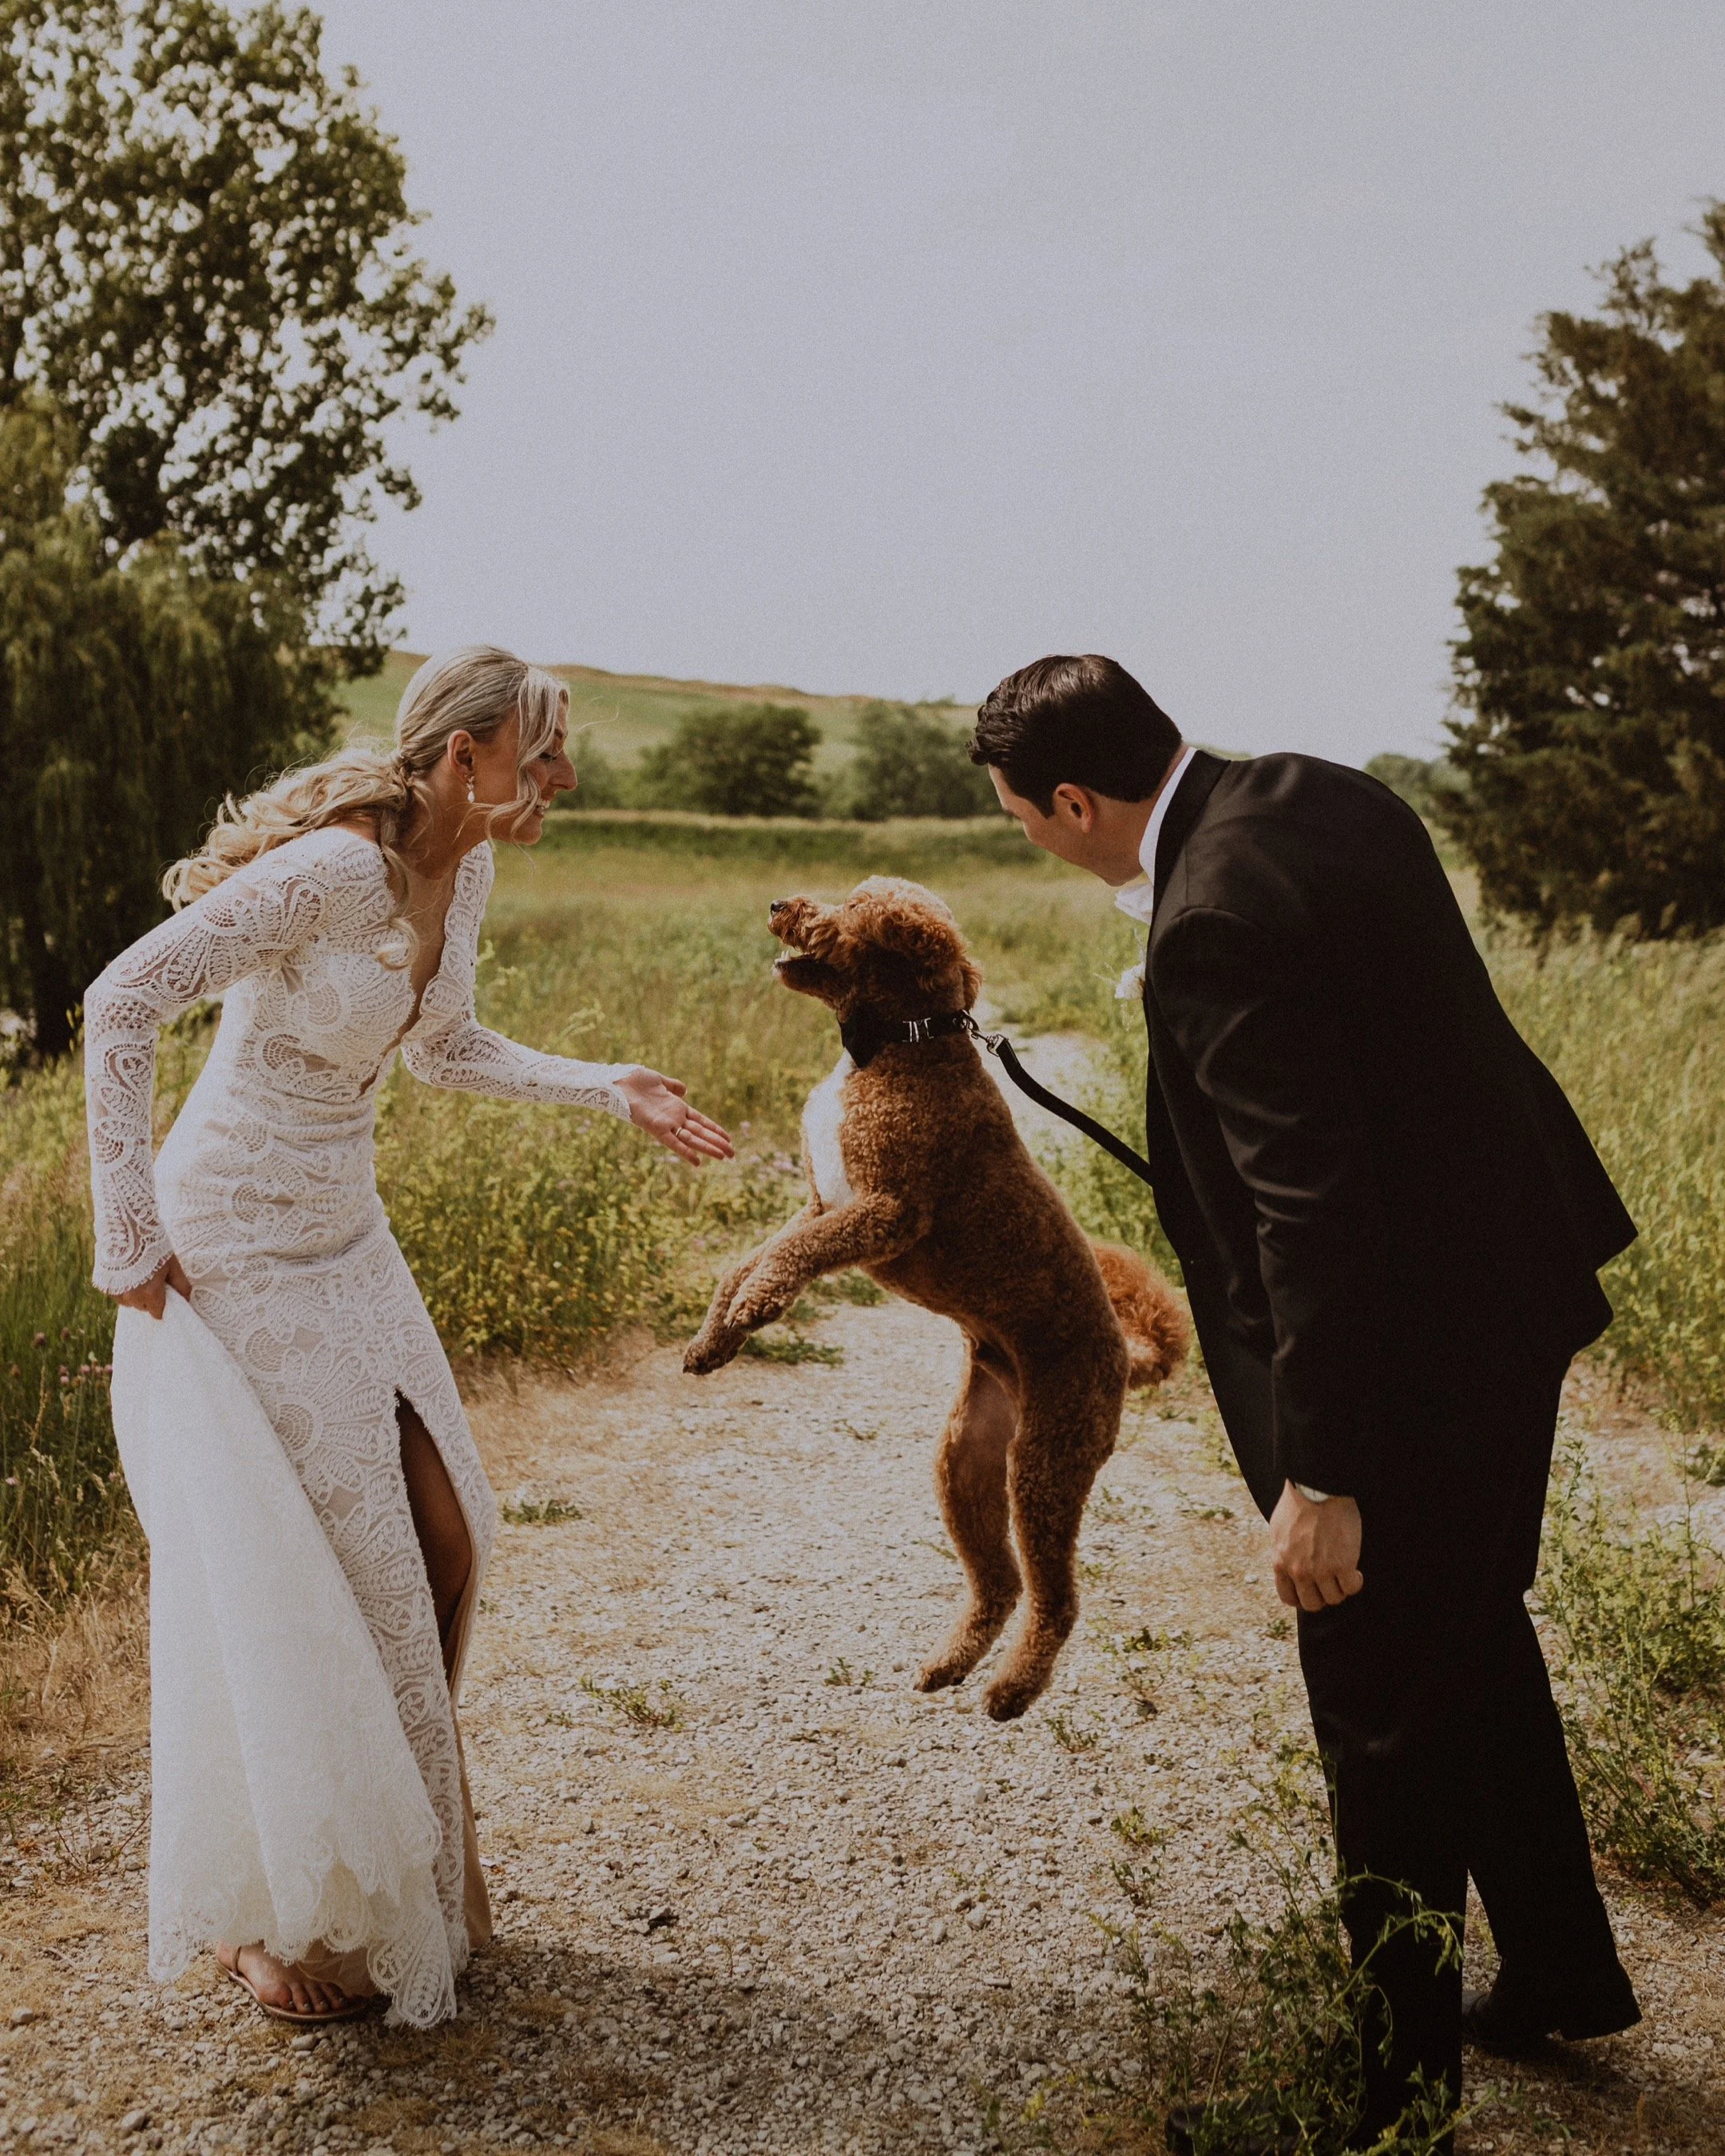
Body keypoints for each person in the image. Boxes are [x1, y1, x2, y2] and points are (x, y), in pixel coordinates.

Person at [969, 653, 1640, 2149]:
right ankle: (1565, 1969)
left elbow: (1312, 1208)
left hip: (1404, 1355)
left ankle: (1395, 2099)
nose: (1032, 836)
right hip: (1502, 1291)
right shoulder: (1319, 796)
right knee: (1464, 1630)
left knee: (1380, 1701)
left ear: (1076, 801)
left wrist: (1324, 1472)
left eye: (1025, 816)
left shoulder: (1206, 916)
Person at [85, 645, 733, 2027]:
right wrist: (125, 1235)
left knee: (455, 1538)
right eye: (544, 752)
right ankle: (283, 1919)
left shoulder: (470, 860)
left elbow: (444, 1048)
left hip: (348, 1235)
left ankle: (384, 1851)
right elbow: (121, 999)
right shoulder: (328, 872)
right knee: (343, 1568)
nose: (563, 776)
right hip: (239, 1236)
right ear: (467, 756)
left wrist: (605, 1084)